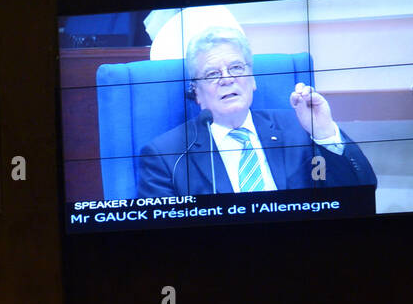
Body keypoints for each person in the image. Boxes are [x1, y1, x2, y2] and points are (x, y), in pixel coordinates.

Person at [137, 25, 376, 198]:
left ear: (252, 80)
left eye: (236, 67)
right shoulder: (166, 155)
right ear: (197, 94)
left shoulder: (299, 127)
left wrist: (324, 134)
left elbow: (361, 191)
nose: (227, 80)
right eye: (212, 74)